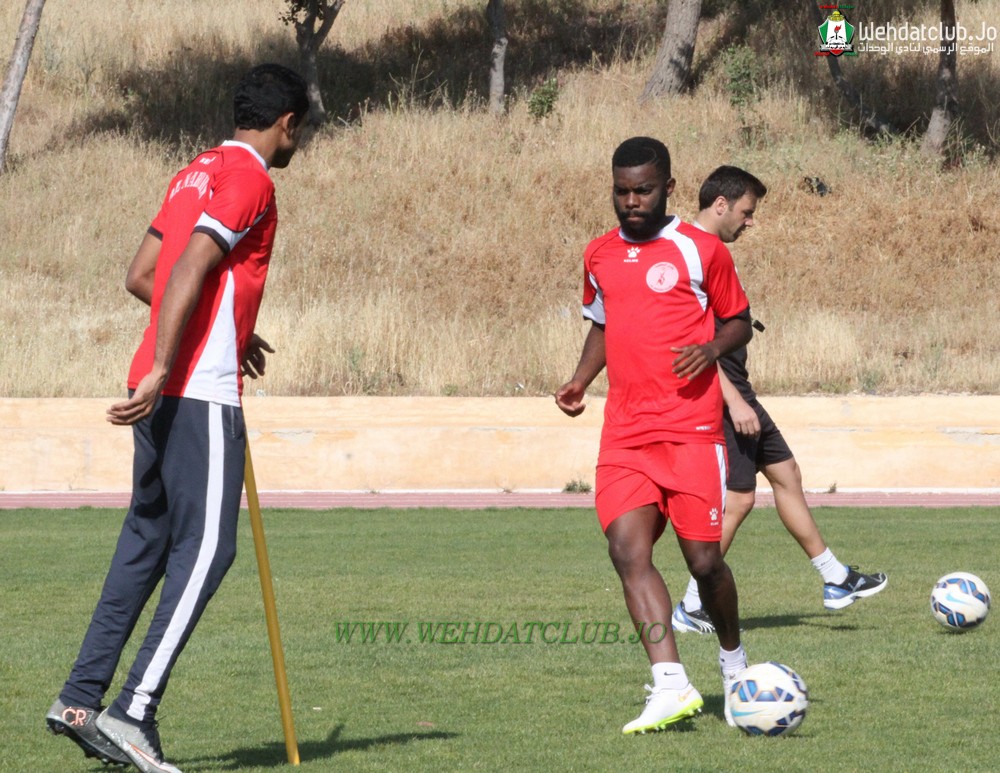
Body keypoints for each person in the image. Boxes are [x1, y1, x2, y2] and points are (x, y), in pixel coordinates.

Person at [45, 63, 309, 773]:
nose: (296, 143)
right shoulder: (253, 179)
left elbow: (142, 275)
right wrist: (172, 362)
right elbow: (191, 267)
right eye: (299, 132)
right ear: (287, 124)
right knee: (209, 550)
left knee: (147, 542)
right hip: (196, 390)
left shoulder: (192, 173)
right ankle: (132, 711)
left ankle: (79, 698)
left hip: (161, 387)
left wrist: (223, 329)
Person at [555, 137, 754, 734]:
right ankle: (670, 684)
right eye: (621, 191)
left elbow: (739, 321)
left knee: (704, 563)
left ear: (668, 188)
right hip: (625, 434)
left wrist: (711, 349)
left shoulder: (701, 250)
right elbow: (603, 323)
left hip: (691, 431)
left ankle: (734, 664)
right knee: (627, 552)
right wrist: (580, 380)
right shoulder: (598, 254)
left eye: (642, 190)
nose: (631, 201)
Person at [671, 165, 887, 636]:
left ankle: (836, 579)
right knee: (739, 499)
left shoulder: (709, 250)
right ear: (721, 204)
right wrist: (733, 402)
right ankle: (690, 605)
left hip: (739, 390)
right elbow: (688, 343)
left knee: (786, 473)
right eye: (747, 212)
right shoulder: (690, 253)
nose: (751, 221)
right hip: (720, 396)